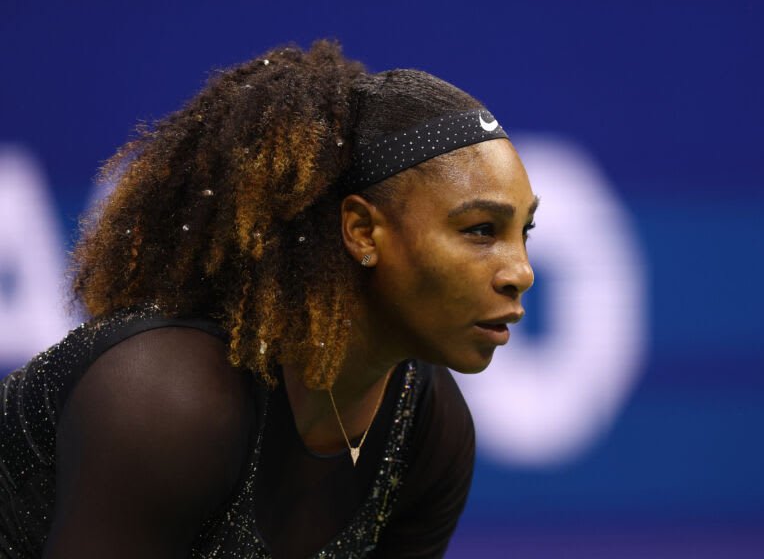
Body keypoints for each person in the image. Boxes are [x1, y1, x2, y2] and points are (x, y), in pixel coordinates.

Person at [0, 40, 537, 558]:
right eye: (481, 230)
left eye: (524, 233)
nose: (521, 272)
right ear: (362, 231)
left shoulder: (426, 423)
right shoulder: (168, 398)